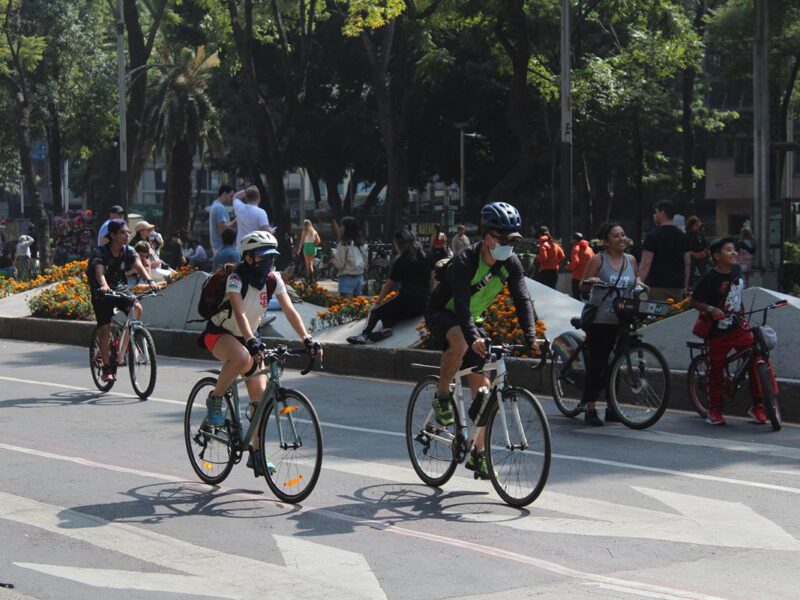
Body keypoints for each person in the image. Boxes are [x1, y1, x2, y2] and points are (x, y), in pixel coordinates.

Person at [425, 201, 539, 479]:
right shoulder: (465, 261)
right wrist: (473, 337)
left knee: (484, 392)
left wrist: (532, 336)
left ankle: (478, 454)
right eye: (505, 239)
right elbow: (462, 305)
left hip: (471, 320)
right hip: (444, 313)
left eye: (514, 239)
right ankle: (442, 395)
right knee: (463, 342)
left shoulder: (510, 263)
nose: (510, 245)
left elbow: (522, 299)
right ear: (488, 238)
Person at [199, 231, 320, 476]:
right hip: (220, 333)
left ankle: (256, 453)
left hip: (250, 337)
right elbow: (240, 312)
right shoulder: (236, 278)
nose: (269, 263)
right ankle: (215, 398)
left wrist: (307, 340)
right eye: (263, 257)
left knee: (260, 397)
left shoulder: (273, 279)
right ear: (249, 258)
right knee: (242, 358)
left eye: (272, 257)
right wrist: (251, 341)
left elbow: (289, 310)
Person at [690, 237, 767, 426]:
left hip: (738, 327)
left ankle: (758, 406)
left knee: (756, 360)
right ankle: (714, 410)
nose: (734, 253)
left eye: (734, 250)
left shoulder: (737, 271)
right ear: (716, 256)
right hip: (717, 332)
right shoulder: (709, 278)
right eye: (728, 250)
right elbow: (694, 301)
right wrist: (711, 309)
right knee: (715, 369)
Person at [578, 223, 648, 426]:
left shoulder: (631, 260)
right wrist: (591, 281)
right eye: (616, 236)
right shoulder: (598, 260)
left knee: (616, 363)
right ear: (606, 241)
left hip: (623, 319)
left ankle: (612, 407)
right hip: (600, 320)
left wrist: (640, 285)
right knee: (597, 364)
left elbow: (635, 281)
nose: (621, 239)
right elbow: (582, 285)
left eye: (623, 235)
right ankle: (590, 408)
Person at [86, 220, 158, 383]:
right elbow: (99, 272)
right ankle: (106, 368)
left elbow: (138, 265)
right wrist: (103, 285)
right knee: (105, 328)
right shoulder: (100, 252)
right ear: (112, 235)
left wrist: (150, 281)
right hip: (101, 291)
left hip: (119, 287)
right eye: (122, 233)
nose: (127, 235)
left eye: (128, 232)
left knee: (137, 307)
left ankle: (123, 345)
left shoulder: (129, 250)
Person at [347, 229, 430, 344]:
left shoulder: (401, 261)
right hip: (422, 303)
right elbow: (433, 278)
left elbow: (390, 284)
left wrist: (377, 302)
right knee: (390, 312)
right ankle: (387, 328)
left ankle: (364, 335)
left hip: (407, 299)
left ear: (398, 244)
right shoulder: (426, 256)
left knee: (377, 311)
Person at [638, 200, 690, 301]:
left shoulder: (652, 236)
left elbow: (646, 263)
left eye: (655, 212)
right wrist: (685, 285)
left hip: (657, 286)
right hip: (677, 286)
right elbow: (687, 262)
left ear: (662, 213)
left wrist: (639, 282)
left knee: (657, 315)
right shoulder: (683, 236)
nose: (654, 215)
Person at [334, 216, 368, 297]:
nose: (340, 228)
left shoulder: (344, 244)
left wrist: (334, 257)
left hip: (346, 278)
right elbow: (365, 262)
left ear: (346, 228)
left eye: (342, 226)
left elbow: (339, 264)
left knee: (347, 307)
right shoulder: (362, 243)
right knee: (357, 306)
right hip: (360, 278)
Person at [209, 184, 236, 255]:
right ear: (224, 194)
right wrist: (237, 220)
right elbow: (223, 230)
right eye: (231, 196)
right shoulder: (219, 208)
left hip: (219, 248)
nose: (233, 199)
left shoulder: (215, 205)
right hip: (222, 248)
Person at [567, 232, 594, 300]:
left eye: (572, 239)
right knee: (587, 297)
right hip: (587, 278)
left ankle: (578, 310)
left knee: (576, 298)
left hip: (577, 278)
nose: (571, 241)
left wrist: (569, 266)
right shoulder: (589, 249)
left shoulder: (576, 248)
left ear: (575, 240)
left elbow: (576, 262)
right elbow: (594, 261)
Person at [686, 216, 710, 289]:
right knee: (690, 274)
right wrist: (694, 254)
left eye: (698, 224)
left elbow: (705, 244)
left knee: (704, 274)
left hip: (702, 256)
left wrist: (705, 252)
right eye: (696, 225)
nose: (698, 226)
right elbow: (686, 248)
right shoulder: (687, 235)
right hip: (692, 257)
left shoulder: (701, 233)